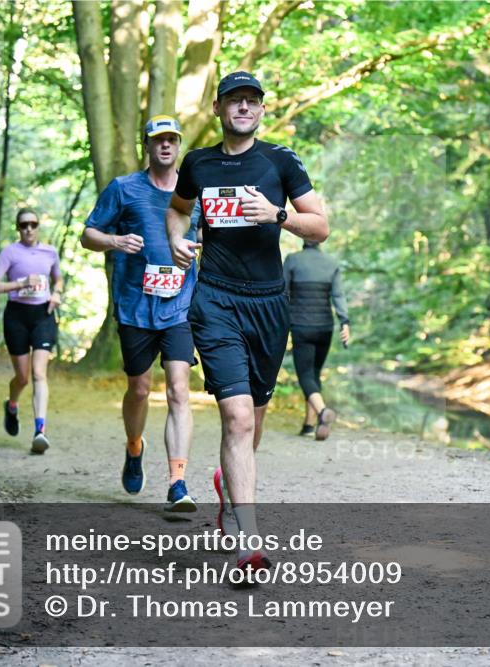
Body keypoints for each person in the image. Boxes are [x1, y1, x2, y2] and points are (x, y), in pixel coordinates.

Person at [165, 71, 329, 576]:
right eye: (234, 100)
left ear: (261, 110)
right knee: (235, 416)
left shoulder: (280, 161)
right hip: (215, 299)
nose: (243, 107)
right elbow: (177, 209)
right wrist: (177, 239)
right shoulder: (198, 163)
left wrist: (277, 216)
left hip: (268, 303)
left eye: (251, 101)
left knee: (252, 420)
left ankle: (227, 488)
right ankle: (248, 544)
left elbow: (320, 225)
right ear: (217, 109)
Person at [81, 114, 199, 513]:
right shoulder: (124, 189)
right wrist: (114, 240)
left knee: (179, 390)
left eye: (171, 139)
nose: (165, 145)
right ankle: (135, 447)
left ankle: (178, 482)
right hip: (135, 306)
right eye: (157, 140)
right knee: (140, 389)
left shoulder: (195, 192)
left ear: (179, 145)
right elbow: (88, 234)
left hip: (180, 306)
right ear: (146, 146)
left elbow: (213, 240)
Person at [0, 208, 64, 454]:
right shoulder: (10, 253)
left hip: (43, 315)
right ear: (18, 228)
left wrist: (57, 294)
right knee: (22, 377)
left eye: (33, 224)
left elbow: (58, 279)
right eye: (24, 225)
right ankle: (11, 404)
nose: (29, 229)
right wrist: (20, 284)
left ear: (38, 226)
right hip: (16, 316)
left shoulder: (50, 252)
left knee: (38, 373)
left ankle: (39, 431)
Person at [283, 240, 351, 440]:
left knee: (305, 375)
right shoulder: (331, 262)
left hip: (301, 326)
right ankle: (309, 425)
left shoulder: (292, 260)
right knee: (314, 374)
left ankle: (322, 412)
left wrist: (281, 324)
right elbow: (338, 295)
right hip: (325, 327)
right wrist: (344, 322)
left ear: (303, 239)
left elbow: (283, 293)